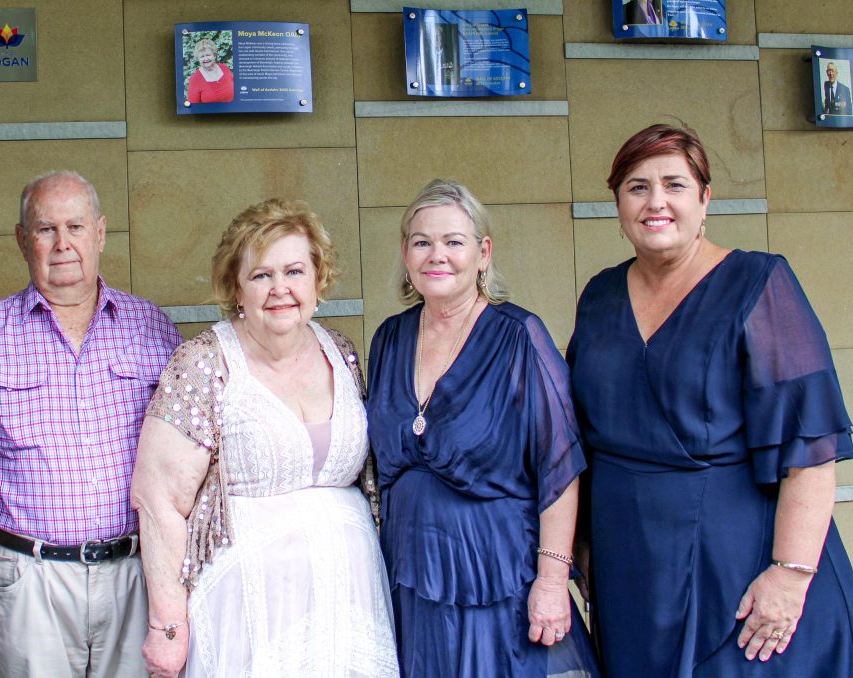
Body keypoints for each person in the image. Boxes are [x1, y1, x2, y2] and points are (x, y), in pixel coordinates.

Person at [568, 124, 853, 676]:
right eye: (636, 187)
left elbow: (809, 450)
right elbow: (578, 436)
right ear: (618, 203)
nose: (656, 202)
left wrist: (790, 575)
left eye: (674, 184)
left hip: (742, 572)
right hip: (631, 574)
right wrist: (581, 548)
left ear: (704, 198)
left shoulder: (759, 283)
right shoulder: (600, 296)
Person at [131, 198, 399, 678]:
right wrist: (166, 625)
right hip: (249, 612)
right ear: (237, 286)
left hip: (350, 602)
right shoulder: (203, 364)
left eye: (294, 271)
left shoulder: (340, 352)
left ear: (318, 280)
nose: (280, 289)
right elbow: (158, 501)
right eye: (261, 275)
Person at [0, 171, 182, 677]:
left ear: (100, 233)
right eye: (46, 229)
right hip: (27, 578)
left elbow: (187, 469)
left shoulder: (154, 330)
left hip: (138, 574)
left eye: (75, 226)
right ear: (22, 239)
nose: (62, 243)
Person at [366, 179, 599, 677]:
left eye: (454, 241)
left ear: (483, 253)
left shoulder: (518, 336)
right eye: (422, 242)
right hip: (410, 574)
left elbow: (559, 466)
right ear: (406, 256)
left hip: (498, 575)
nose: (437, 255)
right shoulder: (388, 339)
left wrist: (553, 581)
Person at [186, 37, 234, 104]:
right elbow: (194, 107)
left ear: (214, 55)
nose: (206, 59)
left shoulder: (224, 68)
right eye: (202, 56)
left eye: (208, 55)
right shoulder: (195, 79)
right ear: (198, 59)